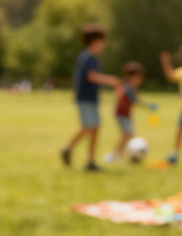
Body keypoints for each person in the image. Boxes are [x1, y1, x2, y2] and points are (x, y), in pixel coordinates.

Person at [61, 23, 120, 171]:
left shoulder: (93, 58)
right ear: (95, 41)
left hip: (91, 99)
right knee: (88, 127)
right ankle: (67, 148)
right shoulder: (87, 57)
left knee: (94, 128)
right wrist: (109, 80)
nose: (104, 45)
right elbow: (91, 76)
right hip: (85, 98)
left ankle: (90, 161)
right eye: (102, 42)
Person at [105, 62, 156, 163]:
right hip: (121, 115)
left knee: (129, 135)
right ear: (131, 77)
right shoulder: (126, 88)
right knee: (128, 135)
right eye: (138, 78)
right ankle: (114, 155)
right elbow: (133, 100)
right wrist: (148, 106)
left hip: (126, 115)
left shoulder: (131, 88)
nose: (140, 80)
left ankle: (119, 154)